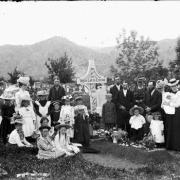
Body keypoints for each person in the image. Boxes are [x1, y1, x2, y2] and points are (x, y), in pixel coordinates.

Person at [163, 78, 180, 151]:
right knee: (170, 128)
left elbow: (178, 105)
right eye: (172, 86)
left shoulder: (179, 93)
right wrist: (166, 104)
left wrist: (169, 103)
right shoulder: (169, 94)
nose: (174, 87)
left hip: (177, 113)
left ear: (177, 86)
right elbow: (165, 101)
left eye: (175, 86)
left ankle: (177, 146)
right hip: (170, 113)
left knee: (177, 128)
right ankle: (170, 146)